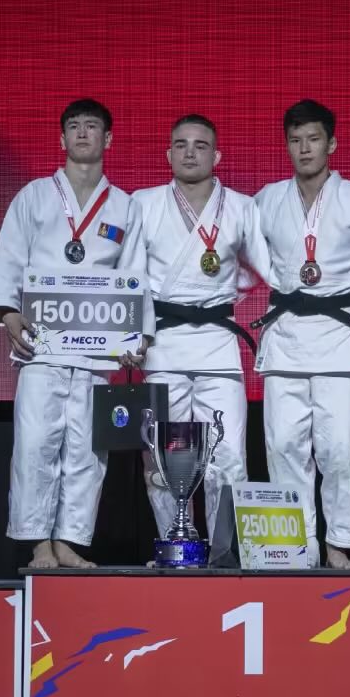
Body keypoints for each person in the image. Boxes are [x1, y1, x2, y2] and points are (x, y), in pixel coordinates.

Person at [0, 99, 151, 569]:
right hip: (43, 344)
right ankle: (38, 541)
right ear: (61, 139)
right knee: (35, 443)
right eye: (74, 127)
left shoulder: (124, 205)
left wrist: (137, 336)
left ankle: (70, 541)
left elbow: (135, 272)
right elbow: (10, 257)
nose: (82, 133)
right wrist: (8, 313)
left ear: (108, 139)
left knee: (87, 448)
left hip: (98, 349)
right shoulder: (34, 196)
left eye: (91, 126)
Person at [130, 114, 271, 543]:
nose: (190, 153)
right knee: (163, 453)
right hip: (162, 342)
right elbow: (130, 276)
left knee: (227, 452)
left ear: (217, 156)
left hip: (217, 341)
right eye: (181, 145)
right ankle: (177, 544)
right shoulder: (142, 203)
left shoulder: (242, 206)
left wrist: (225, 293)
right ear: (168, 153)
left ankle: (224, 548)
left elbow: (263, 269)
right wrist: (134, 335)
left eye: (200, 145)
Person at [253, 100, 350, 569]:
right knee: (284, 446)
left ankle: (339, 544)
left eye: (314, 139)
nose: (304, 148)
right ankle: (295, 546)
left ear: (332, 144)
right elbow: (245, 256)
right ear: (287, 146)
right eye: (296, 140)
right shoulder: (267, 199)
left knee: (340, 448)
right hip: (285, 336)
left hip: (338, 336)